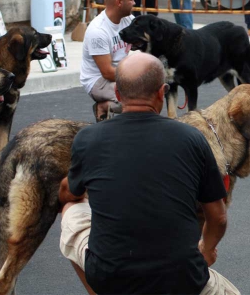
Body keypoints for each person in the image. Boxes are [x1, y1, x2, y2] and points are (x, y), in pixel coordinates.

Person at [59, 52, 238, 295]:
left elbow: (67, 192)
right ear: (162, 93)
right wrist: (206, 251)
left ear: (118, 95)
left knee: (72, 211)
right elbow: (218, 218)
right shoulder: (192, 138)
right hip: (183, 280)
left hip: (110, 278)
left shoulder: (89, 138)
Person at [80, 0, 135, 122]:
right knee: (138, 104)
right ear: (119, 2)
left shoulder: (128, 20)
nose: (134, 3)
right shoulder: (98, 31)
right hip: (98, 80)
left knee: (149, 93)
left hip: (119, 73)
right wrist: (136, 78)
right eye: (131, 0)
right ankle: (104, 107)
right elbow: (107, 72)